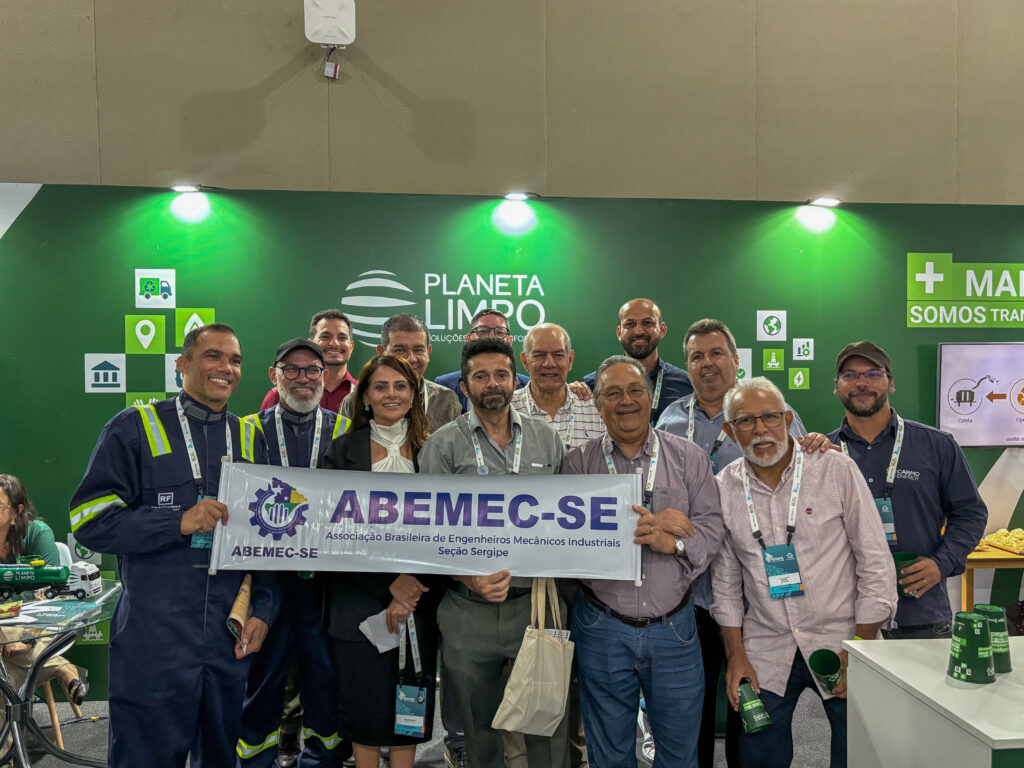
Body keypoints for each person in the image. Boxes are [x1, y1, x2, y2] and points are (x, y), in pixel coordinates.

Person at [69, 323, 278, 768]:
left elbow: (266, 540)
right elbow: (89, 520)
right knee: (145, 757)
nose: (226, 368)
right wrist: (176, 522)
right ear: (182, 364)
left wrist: (263, 608)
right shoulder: (135, 426)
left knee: (220, 756)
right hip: (154, 638)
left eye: (235, 360)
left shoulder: (249, 437)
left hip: (227, 636)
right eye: (213, 356)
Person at [712, 377, 897, 768]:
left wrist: (861, 647)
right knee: (759, 757)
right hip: (765, 646)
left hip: (842, 639)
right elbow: (725, 586)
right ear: (729, 430)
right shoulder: (723, 488)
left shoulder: (835, 469)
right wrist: (736, 656)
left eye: (770, 417)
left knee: (858, 754)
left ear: (787, 419)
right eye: (746, 421)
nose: (760, 429)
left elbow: (875, 560)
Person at [655, 318, 812, 768]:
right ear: (687, 365)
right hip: (691, 589)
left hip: (759, 592)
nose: (707, 363)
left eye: (716, 353)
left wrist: (820, 444)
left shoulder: (770, 411)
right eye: (697, 356)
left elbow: (802, 476)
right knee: (694, 704)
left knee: (753, 703)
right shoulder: (669, 419)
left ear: (735, 359)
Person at [562, 355, 723, 768]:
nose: (626, 400)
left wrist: (675, 544)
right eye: (612, 393)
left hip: (674, 628)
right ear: (599, 405)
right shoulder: (578, 464)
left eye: (635, 390)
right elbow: (564, 543)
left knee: (679, 755)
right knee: (609, 755)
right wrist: (631, 526)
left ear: (650, 399)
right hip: (601, 627)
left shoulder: (689, 458)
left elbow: (711, 531)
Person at [419, 337, 568, 768]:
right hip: (468, 609)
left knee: (546, 728)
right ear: (465, 387)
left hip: (535, 605)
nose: (492, 384)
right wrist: (468, 577)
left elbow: (568, 517)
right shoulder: (442, 446)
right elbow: (426, 532)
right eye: (480, 376)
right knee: (478, 729)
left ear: (515, 380)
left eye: (501, 374)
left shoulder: (546, 440)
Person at [324, 355, 446, 768]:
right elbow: (332, 533)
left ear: (414, 395)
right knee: (364, 711)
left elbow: (449, 530)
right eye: (380, 386)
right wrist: (389, 583)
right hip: (358, 604)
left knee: (409, 707)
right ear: (365, 398)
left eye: (400, 386)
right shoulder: (341, 451)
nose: (391, 394)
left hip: (419, 603)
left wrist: (410, 589)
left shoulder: (435, 450)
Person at [236, 339, 351, 768]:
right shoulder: (247, 430)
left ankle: (322, 761)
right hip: (269, 580)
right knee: (262, 677)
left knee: (325, 676)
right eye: (292, 369)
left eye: (312, 370)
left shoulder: (346, 431)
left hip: (326, 582)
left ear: (325, 376)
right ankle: (254, 760)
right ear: (274, 376)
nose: (303, 378)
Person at [828, 341, 988, 639]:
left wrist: (941, 563)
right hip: (845, 616)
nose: (861, 383)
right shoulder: (824, 454)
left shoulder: (937, 446)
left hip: (920, 616)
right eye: (849, 375)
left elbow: (970, 514)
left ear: (891, 383)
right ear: (836, 387)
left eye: (873, 374)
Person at [510, 322, 601, 768]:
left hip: (583, 568)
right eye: (539, 355)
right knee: (526, 667)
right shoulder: (504, 408)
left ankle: (576, 755)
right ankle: (524, 758)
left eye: (557, 355)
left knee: (580, 669)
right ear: (524, 361)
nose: (549, 363)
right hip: (524, 569)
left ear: (571, 360)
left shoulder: (595, 410)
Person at [0, 475, 88, 705]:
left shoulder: (37, 533)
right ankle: (63, 669)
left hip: (35, 620)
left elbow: (48, 596)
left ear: (17, 511)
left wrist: (26, 639)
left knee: (6, 670)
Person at [340, 313, 461, 432]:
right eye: (400, 350)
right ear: (381, 352)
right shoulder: (354, 401)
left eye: (418, 350)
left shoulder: (447, 401)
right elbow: (341, 443)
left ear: (428, 352)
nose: (411, 358)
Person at [582, 299, 692, 424]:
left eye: (647, 323)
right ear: (619, 332)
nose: (639, 331)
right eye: (630, 324)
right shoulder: (591, 386)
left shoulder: (686, 385)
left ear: (662, 330)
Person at [435, 308, 530, 413]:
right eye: (483, 331)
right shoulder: (443, 385)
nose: (492, 336)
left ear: (510, 341)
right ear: (469, 339)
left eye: (500, 332)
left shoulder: (527, 386)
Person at [262, 310, 357, 413]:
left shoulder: (363, 394)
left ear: (351, 346)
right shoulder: (277, 396)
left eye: (342, 338)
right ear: (311, 344)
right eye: (325, 337)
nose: (335, 343)